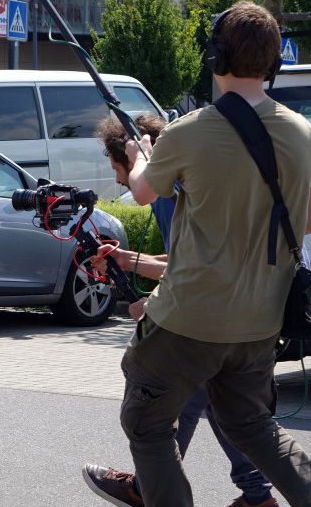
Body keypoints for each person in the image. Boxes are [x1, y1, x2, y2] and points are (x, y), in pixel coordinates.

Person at [108, 1, 311, 506]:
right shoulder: (302, 131)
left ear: (215, 56)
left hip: (189, 318)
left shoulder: (187, 131)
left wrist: (140, 155)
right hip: (260, 322)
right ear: (273, 63)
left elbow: (142, 192)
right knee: (252, 425)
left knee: (145, 423)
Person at [82, 114, 280, 507]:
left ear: (135, 157)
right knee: (216, 402)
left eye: (118, 168)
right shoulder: (183, 183)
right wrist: (128, 260)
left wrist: (153, 301)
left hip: (210, 316)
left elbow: (191, 268)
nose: (119, 181)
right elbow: (185, 259)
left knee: (174, 403)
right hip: (241, 309)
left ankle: (148, 489)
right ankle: (256, 496)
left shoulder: (166, 194)